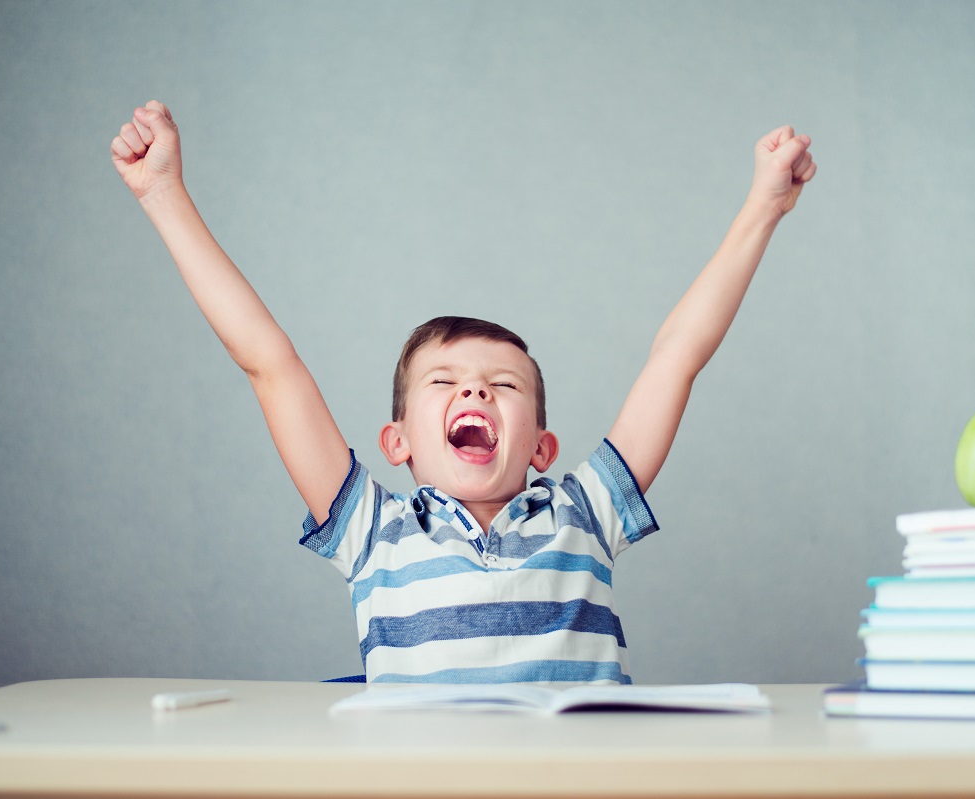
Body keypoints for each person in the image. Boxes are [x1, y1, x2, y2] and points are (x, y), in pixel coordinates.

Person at [110, 101, 816, 684]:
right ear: (399, 441)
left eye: (503, 384)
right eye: (443, 382)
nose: (474, 387)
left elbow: (677, 356)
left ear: (542, 446)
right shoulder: (373, 533)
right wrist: (165, 196)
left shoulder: (585, 513)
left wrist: (763, 207)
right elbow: (270, 363)